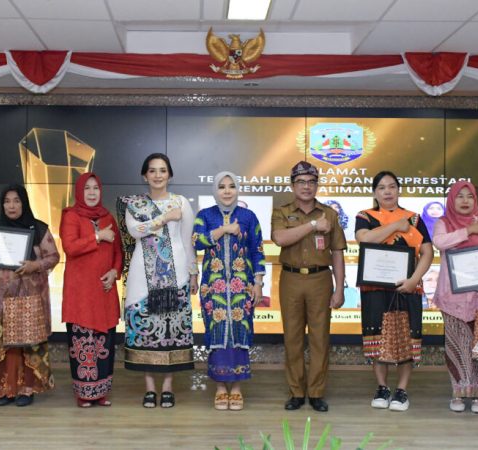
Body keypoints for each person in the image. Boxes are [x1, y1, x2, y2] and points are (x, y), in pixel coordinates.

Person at [119, 153, 197, 408]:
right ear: (145, 176)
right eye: (152, 170)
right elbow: (135, 231)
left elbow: (187, 241)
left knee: (171, 330)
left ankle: (168, 388)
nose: (157, 175)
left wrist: (193, 273)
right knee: (146, 329)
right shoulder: (135, 204)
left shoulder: (181, 203)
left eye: (162, 170)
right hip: (142, 276)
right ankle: (150, 388)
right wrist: (163, 218)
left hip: (176, 275)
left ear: (170, 175)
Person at [0, 184, 59, 407]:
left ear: (24, 203)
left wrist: (34, 265)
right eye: (7, 201)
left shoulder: (38, 228)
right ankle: (6, 389)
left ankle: (27, 389)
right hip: (1, 300)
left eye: (16, 201)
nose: (11, 206)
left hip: (29, 298)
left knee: (27, 344)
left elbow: (53, 257)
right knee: (4, 344)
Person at [355, 170, 433, 412]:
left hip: (407, 288)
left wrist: (414, 280)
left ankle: (401, 390)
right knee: (377, 337)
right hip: (375, 288)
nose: (387, 191)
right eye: (381, 188)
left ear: (399, 190)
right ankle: (382, 387)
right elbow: (365, 239)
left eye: (391, 186)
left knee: (406, 338)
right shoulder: (365, 216)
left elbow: (427, 252)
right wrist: (396, 226)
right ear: (374, 193)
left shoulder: (414, 219)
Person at [271, 161, 346, 412]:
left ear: (317, 185)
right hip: (291, 279)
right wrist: (313, 225)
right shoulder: (282, 212)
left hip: (320, 279)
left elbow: (337, 253)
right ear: (293, 185)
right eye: (301, 182)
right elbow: (280, 238)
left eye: (311, 182)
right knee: (292, 337)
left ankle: (316, 392)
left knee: (319, 338)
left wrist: (339, 288)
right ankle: (296, 392)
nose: (306, 186)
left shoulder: (330, 214)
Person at [193, 171, 266, 411]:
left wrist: (258, 283)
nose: (227, 191)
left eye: (231, 186)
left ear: (237, 190)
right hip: (213, 287)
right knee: (216, 333)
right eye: (222, 186)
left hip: (242, 287)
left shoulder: (248, 217)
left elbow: (257, 250)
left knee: (239, 331)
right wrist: (223, 230)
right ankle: (220, 388)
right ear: (215, 190)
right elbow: (196, 241)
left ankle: (236, 388)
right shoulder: (205, 215)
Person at [431, 181, 478, 414]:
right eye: (459, 196)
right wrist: (468, 231)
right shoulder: (443, 223)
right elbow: (439, 242)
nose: (465, 201)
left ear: (475, 199)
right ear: (452, 200)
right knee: (456, 347)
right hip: (452, 297)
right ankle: (459, 392)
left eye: (469, 196)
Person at [60, 173, 122, 408]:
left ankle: (101, 392)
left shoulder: (108, 217)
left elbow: (118, 252)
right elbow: (70, 247)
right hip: (81, 294)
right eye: (87, 188)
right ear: (79, 191)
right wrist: (97, 236)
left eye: (96, 188)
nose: (92, 192)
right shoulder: (71, 216)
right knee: (82, 343)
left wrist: (114, 272)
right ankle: (84, 394)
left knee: (103, 344)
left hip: (104, 292)